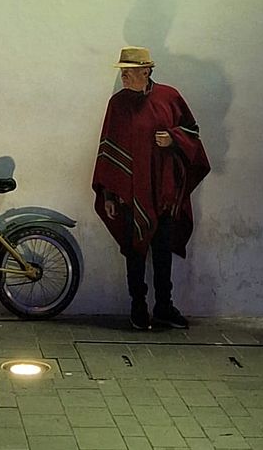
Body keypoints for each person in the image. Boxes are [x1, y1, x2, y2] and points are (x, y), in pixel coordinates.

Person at [92, 46, 210, 331]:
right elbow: (108, 148)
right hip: (130, 194)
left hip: (165, 191)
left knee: (162, 251)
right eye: (122, 72)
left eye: (129, 72)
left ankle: (164, 307)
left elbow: (192, 131)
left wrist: (172, 138)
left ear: (146, 71)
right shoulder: (118, 104)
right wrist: (109, 193)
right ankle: (138, 307)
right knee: (134, 251)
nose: (124, 77)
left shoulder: (169, 97)